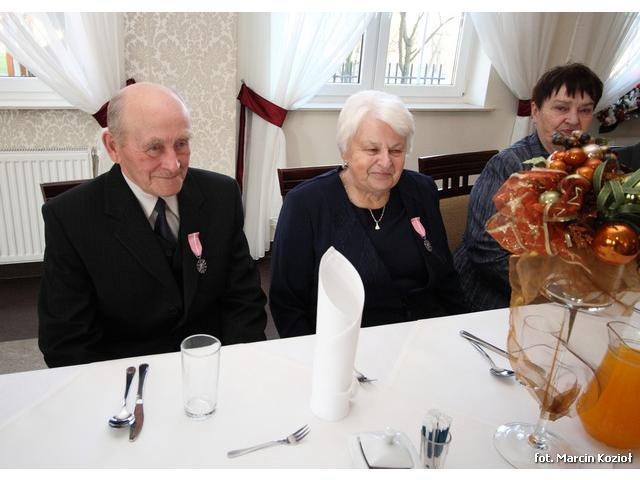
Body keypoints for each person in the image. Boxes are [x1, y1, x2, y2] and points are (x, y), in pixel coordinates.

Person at [38, 82, 267, 367]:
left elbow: (244, 302)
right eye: (154, 148)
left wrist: (238, 368)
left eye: (181, 143)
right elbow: (66, 340)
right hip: (127, 375)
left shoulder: (222, 196)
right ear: (113, 146)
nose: (173, 164)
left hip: (212, 366)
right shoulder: (70, 217)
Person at [269, 90, 468, 338]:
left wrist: (459, 332)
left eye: (396, 151)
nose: (386, 162)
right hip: (348, 343)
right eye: (372, 150)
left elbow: (446, 277)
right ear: (345, 151)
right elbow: (288, 305)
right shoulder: (305, 204)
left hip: (425, 335)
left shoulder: (421, 190)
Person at [453, 63, 603, 311]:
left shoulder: (595, 167)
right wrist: (549, 290)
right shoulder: (508, 165)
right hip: (495, 292)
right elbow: (484, 250)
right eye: (561, 108)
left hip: (567, 291)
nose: (574, 120)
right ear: (535, 111)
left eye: (585, 110)